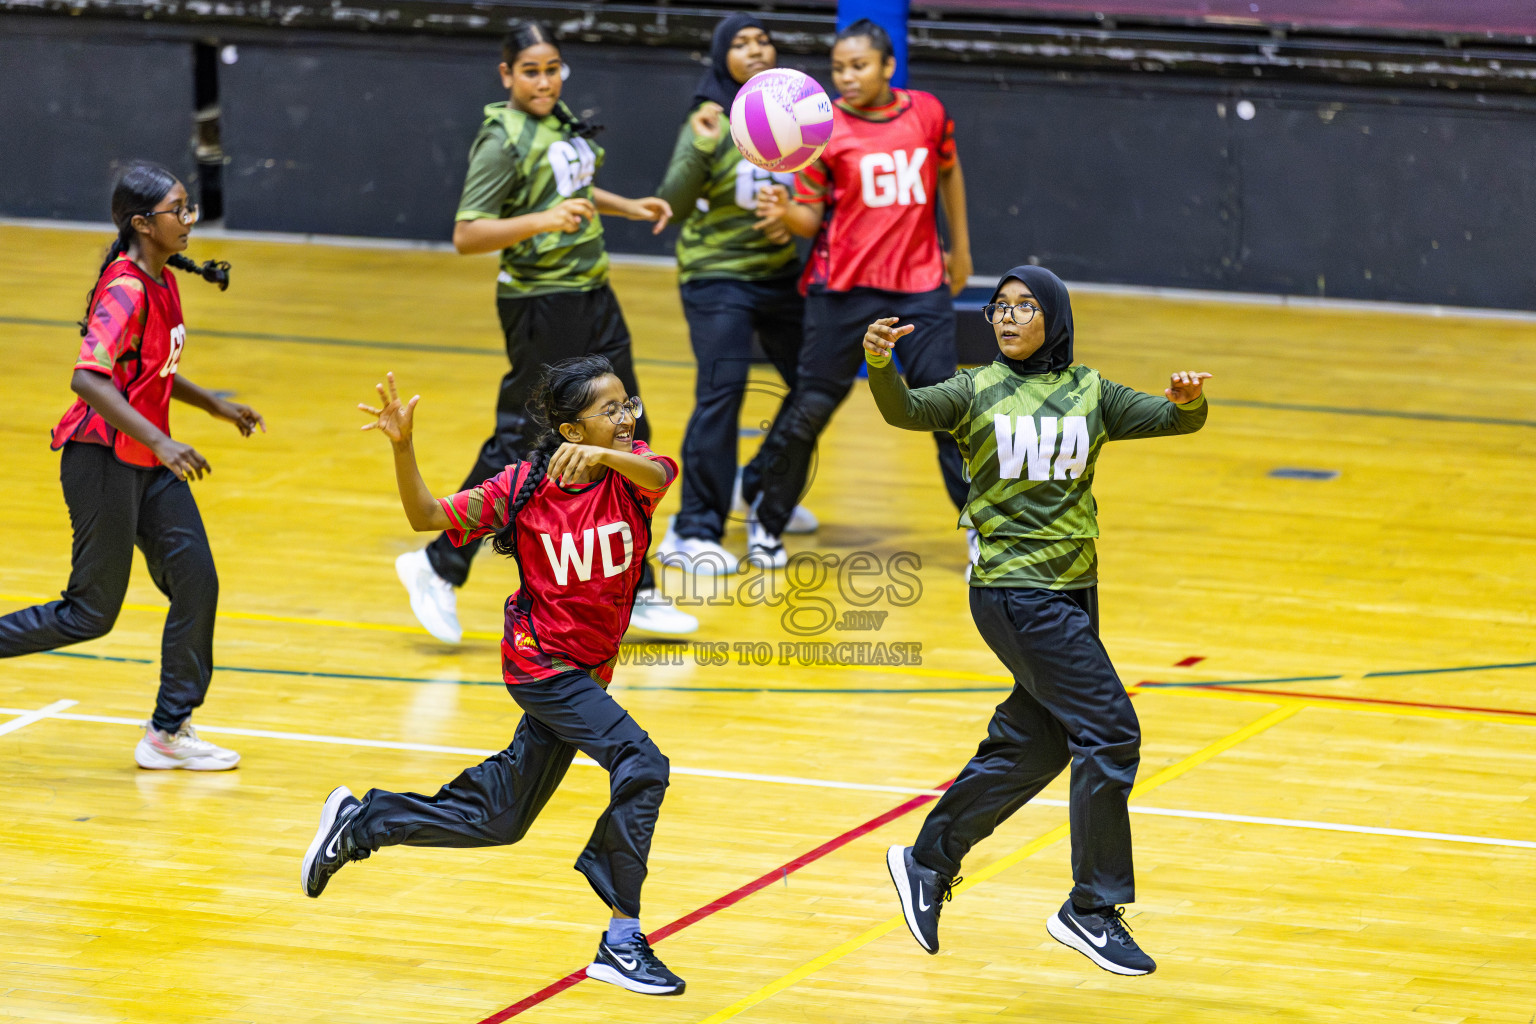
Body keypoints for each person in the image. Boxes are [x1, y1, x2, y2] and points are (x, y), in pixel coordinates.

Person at [303, 358, 686, 996]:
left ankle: (361, 823)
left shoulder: (635, 474)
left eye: (628, 406)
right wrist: (404, 448)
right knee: (643, 764)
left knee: (500, 820)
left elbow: (655, 470)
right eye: (610, 411)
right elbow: (426, 516)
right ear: (571, 430)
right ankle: (622, 941)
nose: (627, 419)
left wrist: (609, 456)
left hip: (588, 671)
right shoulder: (523, 488)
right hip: (544, 667)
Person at [870, 266, 1211, 977]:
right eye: (999, 307)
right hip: (1013, 593)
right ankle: (1090, 908)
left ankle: (927, 862)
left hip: (1072, 592)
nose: (1007, 317)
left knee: (1037, 742)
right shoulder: (973, 390)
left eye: (1025, 307)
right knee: (1111, 730)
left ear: (1053, 318)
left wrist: (1187, 402)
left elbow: (1171, 420)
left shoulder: (1091, 391)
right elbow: (904, 410)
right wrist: (880, 364)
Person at [395, 20, 697, 639]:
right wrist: (543, 221)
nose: (544, 80)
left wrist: (628, 206)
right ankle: (437, 563)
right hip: (541, 303)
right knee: (522, 441)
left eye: (553, 67)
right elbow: (467, 234)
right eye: (530, 70)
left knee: (627, 427)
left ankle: (633, 587)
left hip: (592, 291)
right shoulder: (500, 140)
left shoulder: (559, 121)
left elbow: (572, 188)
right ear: (506, 75)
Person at [0, 161, 265, 770]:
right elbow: (89, 378)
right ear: (144, 223)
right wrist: (166, 443)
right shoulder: (126, 288)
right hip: (101, 459)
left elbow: (151, 372)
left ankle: (167, 732)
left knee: (197, 580)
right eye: (179, 209)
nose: (190, 218)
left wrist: (215, 407)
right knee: (90, 613)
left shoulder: (163, 278)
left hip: (144, 458)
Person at [752, 18, 973, 566]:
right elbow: (811, 219)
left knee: (946, 412)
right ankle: (767, 522)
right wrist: (786, 213)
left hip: (920, 287)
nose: (846, 78)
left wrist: (961, 249)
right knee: (810, 409)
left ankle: (980, 533)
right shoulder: (818, 129)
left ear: (888, 66)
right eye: (838, 69)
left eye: (859, 66)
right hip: (842, 291)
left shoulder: (927, 112)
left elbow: (949, 171)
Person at [651, 13, 818, 574]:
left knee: (817, 383)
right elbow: (671, 204)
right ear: (722, 57)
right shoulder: (708, 120)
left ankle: (760, 485)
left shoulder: (802, 119)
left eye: (763, 40)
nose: (754, 50)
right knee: (723, 389)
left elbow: (818, 197)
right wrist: (699, 148)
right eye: (740, 44)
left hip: (776, 275)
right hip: (716, 276)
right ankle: (693, 525)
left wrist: (792, 219)